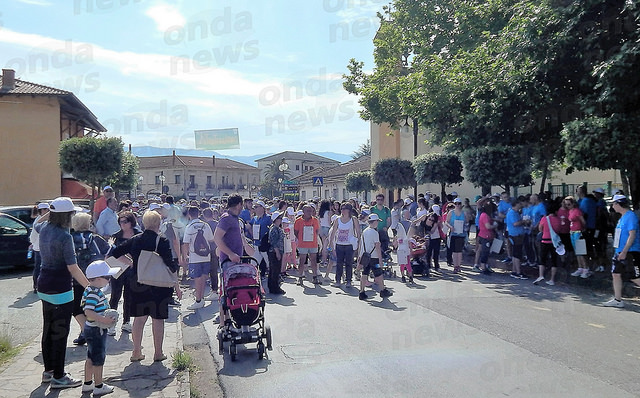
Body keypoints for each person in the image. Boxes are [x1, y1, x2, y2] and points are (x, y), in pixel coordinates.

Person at [110, 210, 182, 363]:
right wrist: (177, 285)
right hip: (159, 285)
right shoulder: (161, 241)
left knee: (139, 319)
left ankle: (136, 351)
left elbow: (114, 253)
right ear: (158, 224)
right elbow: (170, 265)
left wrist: (130, 263)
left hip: (138, 282)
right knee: (158, 319)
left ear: (144, 223)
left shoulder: (135, 239)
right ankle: (158, 352)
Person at [35, 197, 89, 389]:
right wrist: (89, 287)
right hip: (60, 287)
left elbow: (37, 223)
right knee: (60, 332)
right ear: (68, 215)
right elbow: (73, 268)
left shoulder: (45, 229)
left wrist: (52, 211)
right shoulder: (64, 236)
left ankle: (48, 371)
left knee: (48, 328)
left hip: (44, 284)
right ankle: (59, 376)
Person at [213, 194, 254, 327]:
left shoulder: (234, 218)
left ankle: (232, 318)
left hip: (236, 260)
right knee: (226, 291)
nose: (242, 207)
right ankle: (223, 322)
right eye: (242, 205)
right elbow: (217, 238)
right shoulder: (226, 219)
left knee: (235, 290)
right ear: (238, 205)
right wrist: (230, 254)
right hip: (229, 261)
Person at [81, 260, 120, 396]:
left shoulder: (90, 289)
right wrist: (105, 320)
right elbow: (88, 311)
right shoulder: (94, 293)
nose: (109, 280)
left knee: (90, 356)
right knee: (98, 359)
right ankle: (98, 385)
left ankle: (87, 384)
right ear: (98, 279)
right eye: (107, 277)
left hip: (91, 328)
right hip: (96, 329)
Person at [71, 212, 109, 345]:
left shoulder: (70, 239)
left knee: (76, 308)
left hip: (76, 278)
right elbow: (109, 251)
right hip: (95, 278)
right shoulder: (95, 238)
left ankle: (85, 331)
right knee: (93, 305)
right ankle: (89, 330)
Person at [603, 195, 640, 307]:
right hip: (619, 251)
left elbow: (632, 235)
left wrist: (624, 251)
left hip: (630, 252)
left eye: (614, 203)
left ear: (619, 204)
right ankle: (618, 300)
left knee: (634, 277)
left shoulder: (630, 216)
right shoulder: (622, 217)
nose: (612, 206)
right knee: (616, 274)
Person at [109, 211, 142, 334]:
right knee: (115, 296)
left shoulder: (139, 235)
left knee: (129, 296)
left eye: (125, 221)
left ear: (131, 222)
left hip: (133, 271)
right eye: (120, 221)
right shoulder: (115, 236)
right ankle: (111, 322)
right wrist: (127, 260)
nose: (122, 224)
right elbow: (111, 254)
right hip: (117, 270)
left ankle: (126, 322)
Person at [181, 206, 215, 310]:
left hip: (195, 257)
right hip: (206, 255)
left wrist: (185, 256)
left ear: (189, 215)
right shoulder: (205, 225)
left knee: (197, 278)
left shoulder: (189, 226)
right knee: (204, 277)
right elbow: (211, 240)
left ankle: (198, 300)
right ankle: (202, 298)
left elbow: (186, 243)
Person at [357, 214, 392, 300]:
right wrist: (380, 260)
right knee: (379, 274)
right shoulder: (375, 233)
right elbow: (377, 247)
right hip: (374, 258)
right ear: (375, 222)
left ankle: (361, 291)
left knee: (364, 273)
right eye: (377, 221)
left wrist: (359, 256)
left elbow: (361, 244)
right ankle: (383, 290)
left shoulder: (364, 231)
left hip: (365, 257)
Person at [329, 202, 359, 286]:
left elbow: (358, 232)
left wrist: (359, 244)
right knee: (339, 263)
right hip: (339, 244)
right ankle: (338, 280)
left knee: (349, 263)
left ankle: (349, 280)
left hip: (349, 244)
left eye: (345, 209)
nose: (343, 211)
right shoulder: (337, 219)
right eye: (342, 209)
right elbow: (333, 232)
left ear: (349, 210)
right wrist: (331, 244)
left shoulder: (353, 219)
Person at [294, 204, 322, 286]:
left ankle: (314, 277)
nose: (310, 212)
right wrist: (301, 238)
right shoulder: (298, 221)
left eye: (311, 211)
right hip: (302, 244)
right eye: (308, 211)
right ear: (303, 211)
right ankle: (300, 277)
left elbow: (317, 231)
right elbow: (295, 232)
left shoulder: (315, 220)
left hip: (313, 244)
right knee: (302, 261)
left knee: (313, 261)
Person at [534, 201, 561, 286]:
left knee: (542, 259)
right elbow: (558, 230)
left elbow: (540, 229)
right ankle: (552, 279)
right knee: (554, 260)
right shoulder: (558, 219)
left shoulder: (544, 219)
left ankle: (541, 275)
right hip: (554, 242)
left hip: (544, 240)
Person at [566, 196, 590, 278]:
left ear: (573, 203)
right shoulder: (570, 211)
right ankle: (580, 267)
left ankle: (586, 268)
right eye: (566, 205)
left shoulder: (577, 211)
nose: (567, 206)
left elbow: (583, 221)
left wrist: (582, 229)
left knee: (581, 251)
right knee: (577, 251)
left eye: (569, 204)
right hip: (572, 232)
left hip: (578, 232)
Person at [506, 197, 529, 279]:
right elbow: (515, 223)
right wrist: (524, 221)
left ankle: (514, 271)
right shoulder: (512, 213)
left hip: (517, 235)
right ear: (516, 204)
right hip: (516, 235)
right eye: (519, 203)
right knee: (517, 254)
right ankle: (518, 272)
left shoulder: (515, 212)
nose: (520, 205)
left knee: (516, 254)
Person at [473, 201, 497, 275]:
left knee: (480, 250)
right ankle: (483, 267)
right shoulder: (485, 215)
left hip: (482, 235)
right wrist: (495, 225)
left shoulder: (484, 214)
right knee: (485, 251)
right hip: (486, 236)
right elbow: (488, 226)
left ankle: (481, 265)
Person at [30, 202, 49, 293]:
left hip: (44, 248)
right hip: (39, 248)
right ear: (40, 211)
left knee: (44, 267)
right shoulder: (38, 221)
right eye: (45, 209)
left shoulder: (46, 220)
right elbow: (32, 237)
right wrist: (34, 244)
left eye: (47, 209)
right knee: (38, 267)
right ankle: (36, 286)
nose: (46, 211)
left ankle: (42, 285)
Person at [249, 200, 272, 277]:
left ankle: (272, 278)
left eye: (256, 207)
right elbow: (249, 226)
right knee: (253, 262)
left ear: (262, 208)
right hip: (256, 243)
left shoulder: (268, 218)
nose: (254, 208)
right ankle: (254, 278)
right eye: (254, 207)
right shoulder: (254, 218)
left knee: (268, 262)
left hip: (265, 244)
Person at [202, 207, 220, 301]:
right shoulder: (218, 224)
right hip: (217, 249)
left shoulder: (204, 225)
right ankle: (215, 290)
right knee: (214, 271)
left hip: (207, 250)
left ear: (204, 216)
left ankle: (214, 291)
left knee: (208, 271)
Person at [445, 198, 467, 273]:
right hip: (453, 234)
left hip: (461, 234)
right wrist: (451, 227)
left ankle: (459, 266)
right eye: (456, 203)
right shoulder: (451, 212)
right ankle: (455, 266)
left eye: (459, 203)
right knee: (454, 251)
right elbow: (446, 222)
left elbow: (467, 222)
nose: (457, 205)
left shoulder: (464, 213)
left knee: (459, 251)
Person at [267, 211, 286, 294]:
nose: (281, 220)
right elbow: (273, 242)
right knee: (275, 270)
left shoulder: (277, 228)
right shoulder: (274, 229)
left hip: (275, 252)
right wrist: (277, 252)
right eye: (279, 218)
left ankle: (272, 287)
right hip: (274, 252)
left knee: (274, 270)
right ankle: (275, 288)